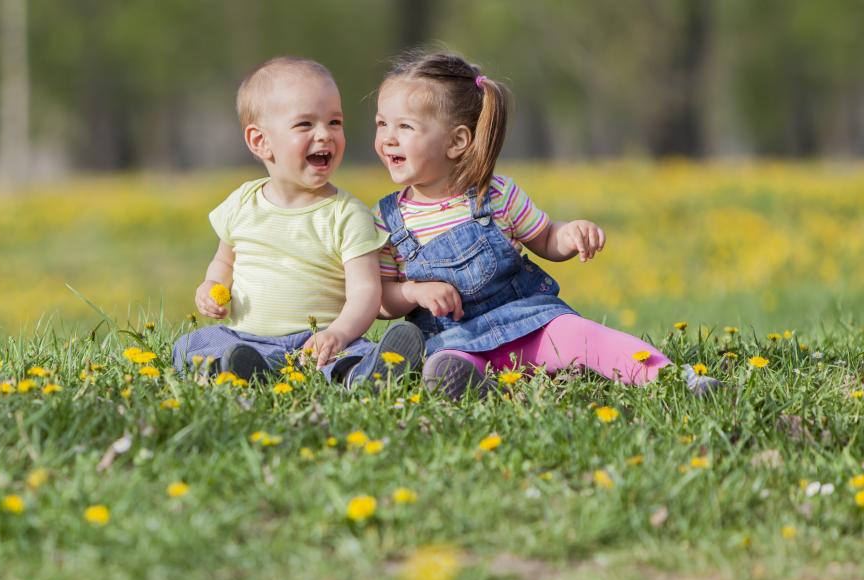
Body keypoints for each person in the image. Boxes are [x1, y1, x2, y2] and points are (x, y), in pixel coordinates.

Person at [371, 51, 717, 398]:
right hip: (456, 339)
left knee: (583, 334)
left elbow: (546, 238)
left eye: (405, 127)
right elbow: (383, 300)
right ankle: (482, 387)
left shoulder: (496, 196)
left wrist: (570, 234)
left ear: (456, 141)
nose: (388, 138)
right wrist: (414, 292)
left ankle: (672, 378)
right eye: (381, 124)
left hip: (530, 325)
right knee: (445, 364)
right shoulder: (387, 220)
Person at [171, 56, 424, 386]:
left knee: (350, 355)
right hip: (246, 338)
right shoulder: (242, 202)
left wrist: (338, 334)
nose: (325, 135)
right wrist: (211, 287)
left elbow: (365, 291)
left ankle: (366, 374)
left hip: (318, 343)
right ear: (260, 141)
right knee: (190, 346)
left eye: (334, 122)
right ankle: (240, 370)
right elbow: (223, 261)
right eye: (305, 125)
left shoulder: (348, 214)